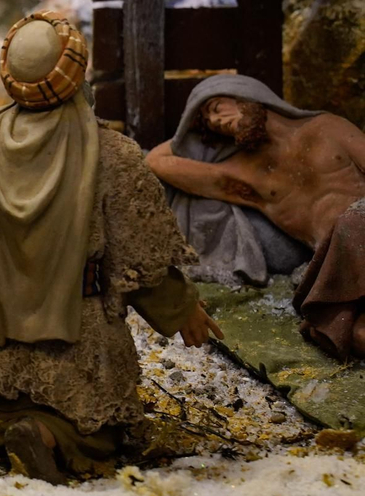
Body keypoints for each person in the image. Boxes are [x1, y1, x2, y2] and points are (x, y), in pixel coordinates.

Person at [0, 13, 219, 482]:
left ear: (10, 74)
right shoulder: (111, 153)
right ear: (75, 70)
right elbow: (140, 257)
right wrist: (181, 309)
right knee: (96, 429)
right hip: (70, 335)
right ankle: (43, 433)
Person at [147, 74, 365, 361]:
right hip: (341, 265)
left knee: (353, 221)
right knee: (356, 335)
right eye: (209, 123)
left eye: (215, 107)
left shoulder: (326, 127)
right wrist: (191, 132)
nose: (216, 121)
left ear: (245, 93)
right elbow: (157, 161)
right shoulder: (247, 175)